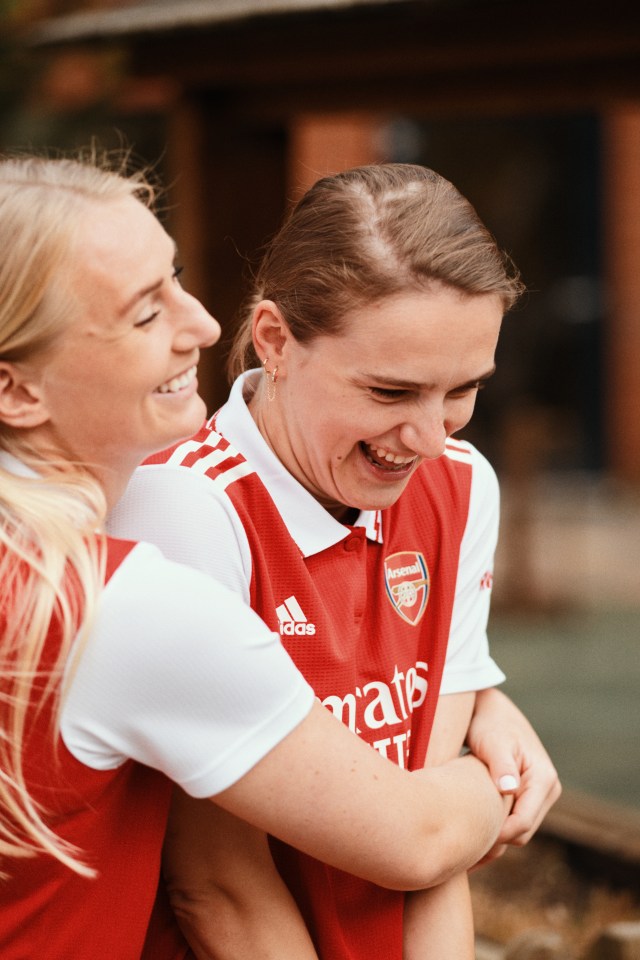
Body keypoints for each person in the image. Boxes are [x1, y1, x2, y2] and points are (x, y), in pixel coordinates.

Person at [0, 153, 514, 960]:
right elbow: (249, 876)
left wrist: (475, 721)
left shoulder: (457, 482)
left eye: (461, 390)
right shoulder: (138, 571)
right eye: (389, 392)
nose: (206, 323)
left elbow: (427, 830)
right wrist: (501, 782)